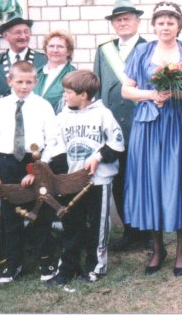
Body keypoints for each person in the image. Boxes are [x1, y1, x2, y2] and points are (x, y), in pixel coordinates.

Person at [121, 1, 182, 277]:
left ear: (179, 25)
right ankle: (157, 248)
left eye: (171, 22)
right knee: (152, 182)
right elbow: (126, 90)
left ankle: (181, 248)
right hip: (149, 126)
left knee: (178, 182)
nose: (165, 27)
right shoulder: (142, 51)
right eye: (161, 23)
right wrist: (152, 94)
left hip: (179, 124)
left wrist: (177, 93)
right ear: (154, 26)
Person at [41, 70, 125, 286]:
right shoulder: (62, 117)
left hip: (98, 182)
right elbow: (54, 146)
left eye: (68, 92)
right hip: (71, 182)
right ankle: (67, 268)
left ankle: (95, 267)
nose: (64, 95)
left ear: (84, 95)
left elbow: (117, 144)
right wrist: (48, 167)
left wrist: (98, 156)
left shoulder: (103, 114)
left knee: (98, 225)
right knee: (71, 225)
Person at [0, 61, 58, 284]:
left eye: (28, 82)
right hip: (7, 163)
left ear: (35, 82)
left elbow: (53, 140)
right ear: (9, 81)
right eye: (19, 82)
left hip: (34, 161)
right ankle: (13, 263)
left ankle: (45, 260)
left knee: (40, 212)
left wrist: (39, 169)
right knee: (10, 216)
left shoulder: (43, 105)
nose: (24, 86)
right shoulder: (0, 106)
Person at [94, 0, 150, 252]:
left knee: (143, 179)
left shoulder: (149, 48)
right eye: (118, 19)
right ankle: (129, 230)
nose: (123, 23)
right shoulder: (104, 50)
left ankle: (147, 231)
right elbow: (97, 87)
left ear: (138, 22)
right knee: (119, 179)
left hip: (141, 123)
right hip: (113, 125)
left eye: (127, 18)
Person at [0, 0, 46, 106]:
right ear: (5, 36)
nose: (23, 36)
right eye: (18, 32)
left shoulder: (43, 60)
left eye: (26, 32)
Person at [33, 30, 76, 113]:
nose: (55, 50)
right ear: (46, 49)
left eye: (60, 47)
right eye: (51, 46)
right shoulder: (36, 73)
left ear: (68, 51)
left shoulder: (74, 75)